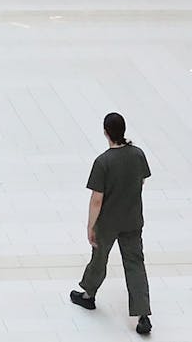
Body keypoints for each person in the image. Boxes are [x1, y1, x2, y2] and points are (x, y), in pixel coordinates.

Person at [70, 112, 153, 336]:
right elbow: (141, 181)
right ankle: (142, 315)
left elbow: (97, 199)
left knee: (99, 258)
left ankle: (88, 295)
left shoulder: (103, 162)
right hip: (133, 219)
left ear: (106, 132)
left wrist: (90, 226)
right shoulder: (138, 154)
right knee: (135, 264)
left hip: (107, 222)